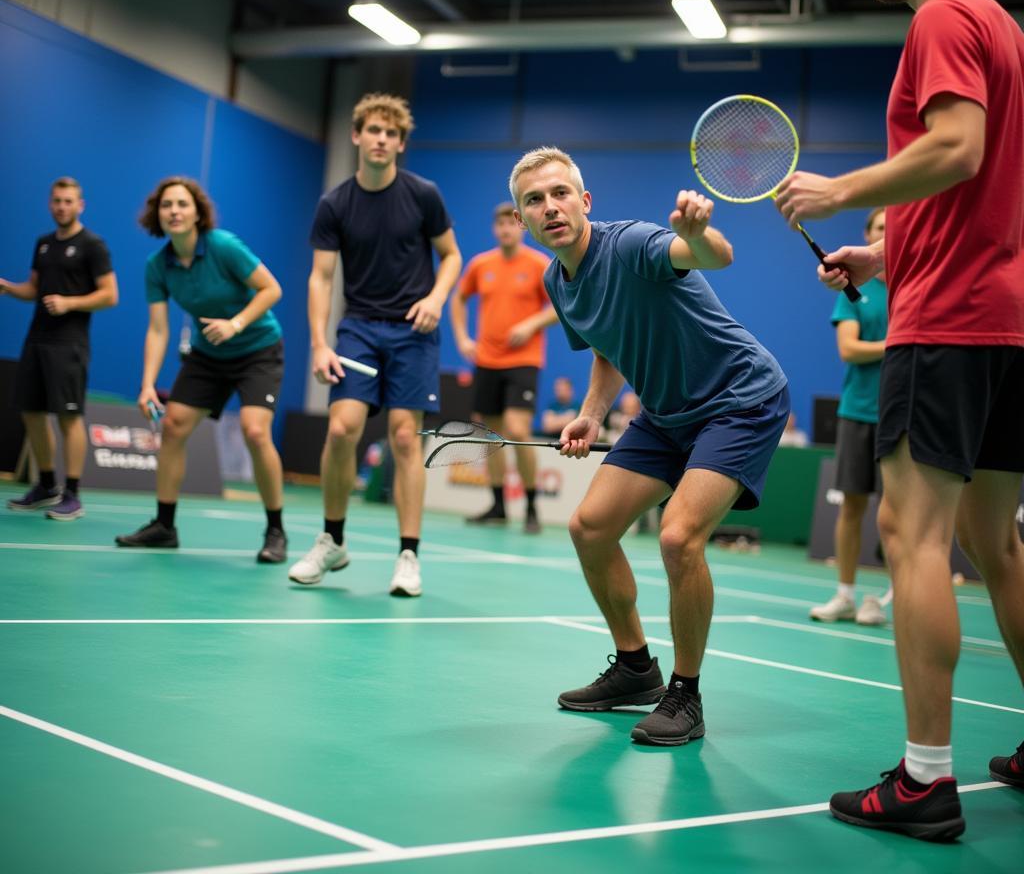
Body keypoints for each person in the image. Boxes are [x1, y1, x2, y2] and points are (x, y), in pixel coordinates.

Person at [774, 0, 1024, 840]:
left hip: (947, 322)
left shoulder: (941, 21)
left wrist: (842, 193)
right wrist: (882, 249)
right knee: (995, 544)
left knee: (914, 541)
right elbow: (981, 185)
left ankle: (924, 779)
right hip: (1003, 316)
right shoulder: (1001, 25)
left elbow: (956, 149)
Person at [510, 146, 789, 747]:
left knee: (678, 536)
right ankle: (636, 667)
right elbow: (606, 347)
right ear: (522, 219)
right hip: (666, 416)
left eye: (560, 194)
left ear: (585, 202)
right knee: (590, 528)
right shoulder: (557, 281)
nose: (549, 207)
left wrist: (698, 233)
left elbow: (715, 255)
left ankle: (684, 695)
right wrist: (590, 415)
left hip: (740, 399)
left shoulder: (633, 244)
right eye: (534, 200)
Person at [289, 93, 462, 597]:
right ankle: (332, 539)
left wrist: (435, 298)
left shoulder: (423, 194)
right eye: (373, 130)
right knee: (342, 430)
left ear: (400, 143)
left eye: (391, 133)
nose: (381, 139)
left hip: (414, 330)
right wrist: (320, 344)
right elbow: (321, 279)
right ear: (357, 136)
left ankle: (408, 555)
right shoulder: (334, 203)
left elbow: (451, 256)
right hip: (358, 328)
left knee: (405, 438)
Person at [115, 177, 288, 564]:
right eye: (166, 205)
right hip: (208, 355)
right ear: (156, 215)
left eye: (182, 204)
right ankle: (164, 526)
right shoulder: (158, 266)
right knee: (174, 426)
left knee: (256, 431)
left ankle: (276, 530)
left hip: (257, 348)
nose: (174, 211)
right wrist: (146, 385)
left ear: (197, 213)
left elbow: (271, 289)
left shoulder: (224, 247)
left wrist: (236, 324)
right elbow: (158, 329)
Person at [1, 177, 118, 520]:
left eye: (68, 201)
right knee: (31, 413)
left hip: (70, 343)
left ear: (80, 205)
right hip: (36, 338)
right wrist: (9, 288)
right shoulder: (43, 244)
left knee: (69, 417)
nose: (62, 206)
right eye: (56, 201)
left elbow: (110, 295)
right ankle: (46, 486)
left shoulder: (93, 245)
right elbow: (33, 290)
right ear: (50, 204)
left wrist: (70, 303)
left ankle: (73, 493)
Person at [450, 201, 557, 533]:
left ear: (522, 226)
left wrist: (532, 324)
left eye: (512, 224)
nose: (506, 230)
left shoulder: (539, 264)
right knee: (491, 435)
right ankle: (497, 505)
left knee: (519, 430)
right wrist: (463, 340)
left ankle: (531, 506)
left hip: (523, 362)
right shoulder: (481, 265)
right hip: (486, 361)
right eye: (500, 225)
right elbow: (458, 299)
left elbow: (560, 306)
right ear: (495, 229)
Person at [810, 208, 891, 626]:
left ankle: (894, 596)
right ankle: (844, 594)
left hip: (905, 413)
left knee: (898, 512)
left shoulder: (913, 286)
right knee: (853, 507)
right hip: (859, 410)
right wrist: (901, 343)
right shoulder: (855, 291)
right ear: (867, 237)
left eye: (891, 229)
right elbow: (850, 349)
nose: (885, 234)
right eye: (879, 228)